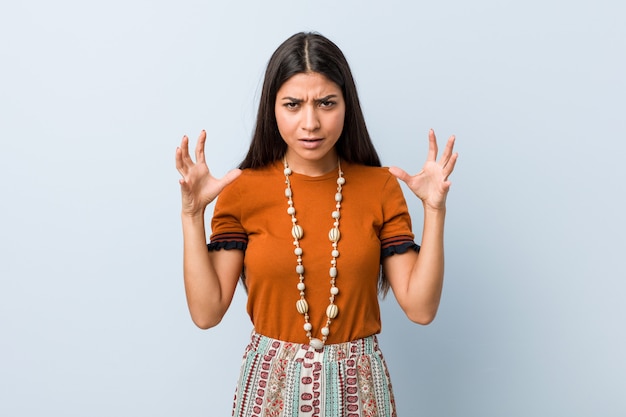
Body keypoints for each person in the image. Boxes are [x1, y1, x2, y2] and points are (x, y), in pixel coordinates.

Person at [175, 32, 457, 417]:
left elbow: (421, 309)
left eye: (326, 103)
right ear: (272, 109)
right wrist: (193, 215)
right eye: (293, 104)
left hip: (360, 394)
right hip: (269, 393)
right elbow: (206, 313)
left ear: (347, 106)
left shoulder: (381, 187)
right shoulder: (243, 191)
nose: (310, 122)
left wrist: (435, 211)